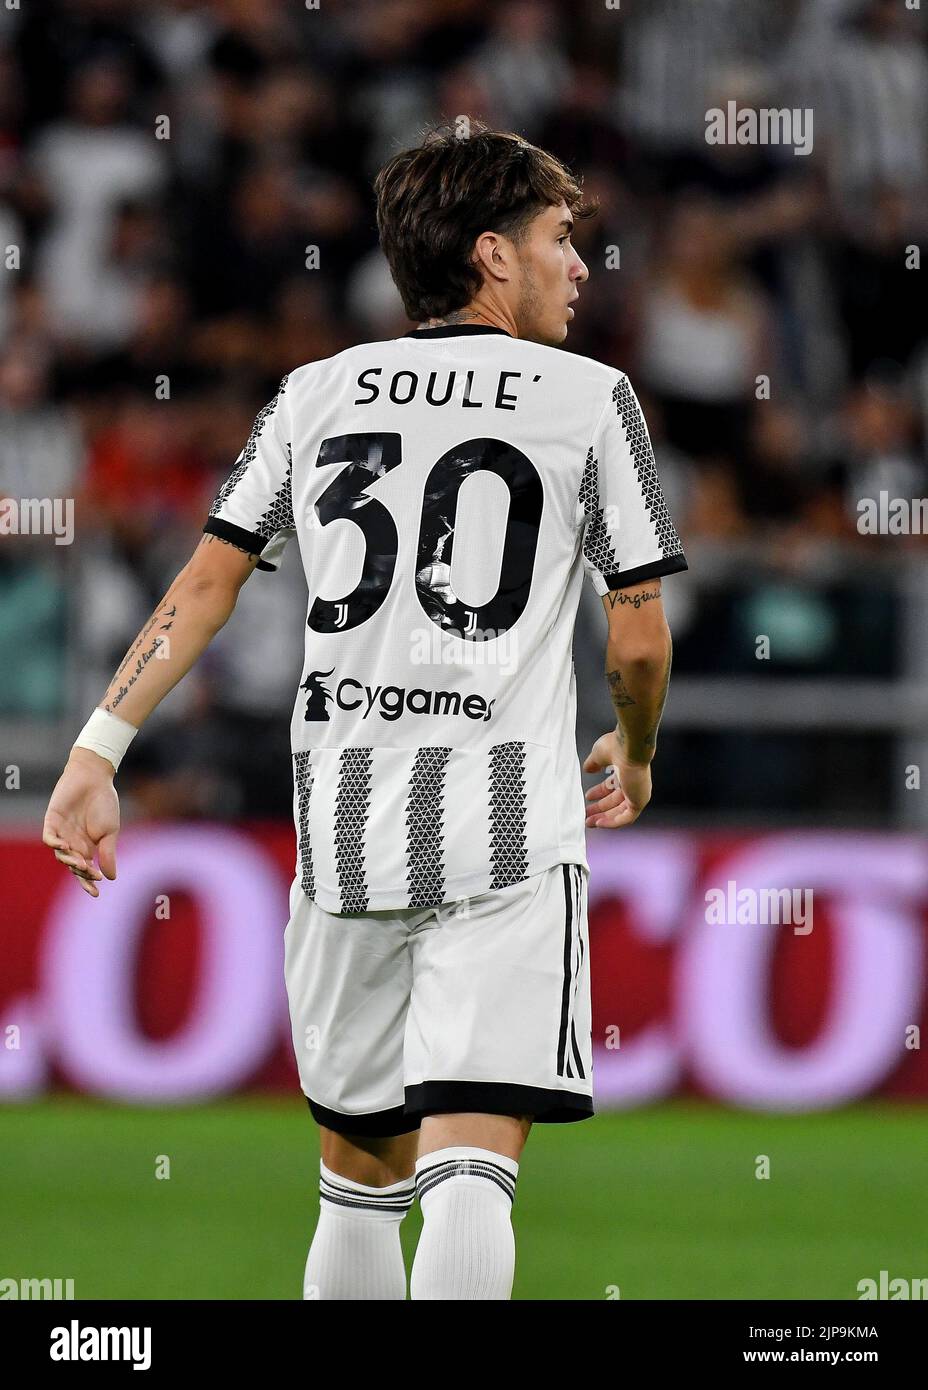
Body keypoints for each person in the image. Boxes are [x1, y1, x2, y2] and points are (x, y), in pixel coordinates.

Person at [41, 124, 687, 1300]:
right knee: (473, 1168)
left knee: (356, 1182)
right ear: (493, 255)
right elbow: (637, 629)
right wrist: (634, 753)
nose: (580, 266)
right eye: (558, 239)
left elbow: (202, 586)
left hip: (343, 831)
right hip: (503, 834)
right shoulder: (594, 398)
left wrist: (97, 749)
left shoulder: (315, 390)